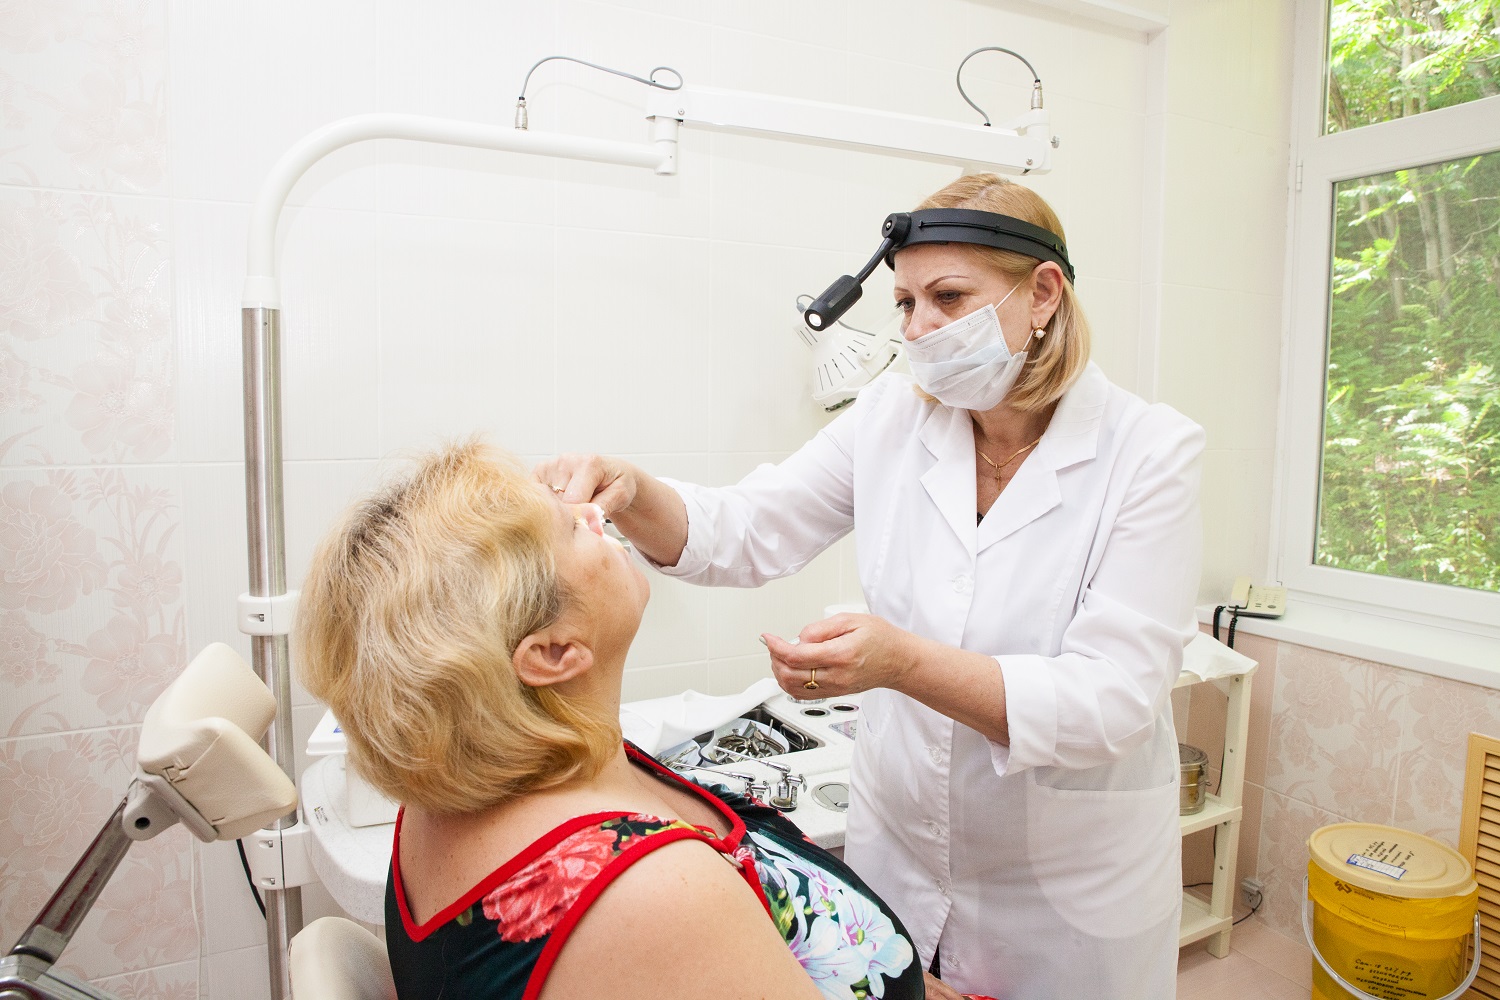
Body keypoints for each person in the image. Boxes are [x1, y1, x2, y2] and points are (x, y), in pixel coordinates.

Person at [534, 173, 1204, 999]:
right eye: (905, 303)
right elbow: (748, 527)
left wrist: (901, 664)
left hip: (1065, 890)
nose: (917, 331)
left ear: (1042, 293)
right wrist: (634, 490)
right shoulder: (893, 415)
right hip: (904, 850)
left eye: (948, 298)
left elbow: (1112, 701)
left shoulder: (1150, 453)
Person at [295, 442, 962, 1000]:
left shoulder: (466, 789)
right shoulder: (655, 895)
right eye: (567, 528)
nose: (593, 513)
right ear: (554, 653)